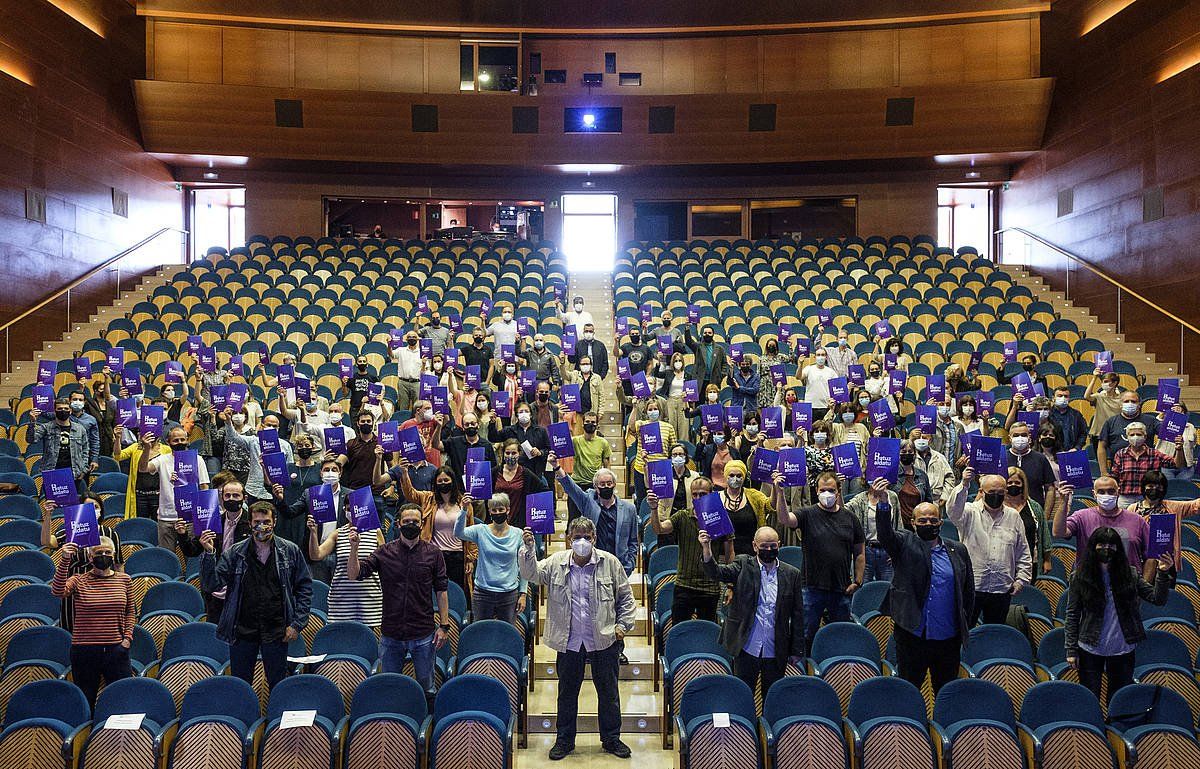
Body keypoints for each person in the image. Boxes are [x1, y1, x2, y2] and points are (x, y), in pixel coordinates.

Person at [519, 518, 636, 760]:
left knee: (609, 692)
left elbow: (626, 597)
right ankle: (564, 740)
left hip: (603, 639)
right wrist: (529, 548)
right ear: (568, 538)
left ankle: (612, 738)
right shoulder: (555, 563)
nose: (581, 540)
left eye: (586, 536)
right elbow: (530, 574)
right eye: (577, 536)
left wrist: (623, 626)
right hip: (569, 641)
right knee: (567, 693)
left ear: (594, 538)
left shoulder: (609, 563)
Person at [200, 501, 312, 691]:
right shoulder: (235, 552)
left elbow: (304, 588)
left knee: (278, 684)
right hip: (243, 629)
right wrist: (210, 553)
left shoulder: (290, 551)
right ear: (250, 523)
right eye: (257, 522)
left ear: (274, 522)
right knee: (240, 686)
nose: (261, 526)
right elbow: (212, 584)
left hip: (276, 629)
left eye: (266, 521)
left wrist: (297, 624)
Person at [347, 505, 449, 697]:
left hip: (423, 634)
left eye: (415, 522)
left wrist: (444, 626)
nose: (411, 525)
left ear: (422, 524)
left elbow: (441, 590)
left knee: (426, 689)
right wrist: (354, 548)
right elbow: (354, 574)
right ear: (398, 524)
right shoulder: (384, 552)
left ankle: (424, 724)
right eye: (406, 521)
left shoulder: (434, 553)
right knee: (388, 687)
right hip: (391, 634)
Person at [877, 500, 975, 695]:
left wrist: (965, 622)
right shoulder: (905, 544)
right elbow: (886, 536)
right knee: (908, 690)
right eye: (922, 520)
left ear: (940, 523)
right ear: (913, 523)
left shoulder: (958, 550)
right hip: (913, 635)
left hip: (948, 637)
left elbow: (968, 590)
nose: (928, 524)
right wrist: (882, 504)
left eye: (933, 520)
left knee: (946, 692)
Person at [1065, 527, 1171, 706]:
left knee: (1119, 700)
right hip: (1090, 647)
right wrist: (1071, 649)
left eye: (1111, 545)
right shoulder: (1080, 576)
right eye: (1102, 544)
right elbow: (1072, 613)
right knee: (1090, 699)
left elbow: (1157, 599)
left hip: (1123, 647)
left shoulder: (1130, 573)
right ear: (1093, 546)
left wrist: (1162, 572)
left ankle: (1116, 733)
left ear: (1118, 548)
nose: (1107, 548)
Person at [699, 525, 805, 696]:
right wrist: (706, 547)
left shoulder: (792, 574)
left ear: (779, 544)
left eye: (773, 546)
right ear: (755, 546)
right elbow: (716, 573)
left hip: (776, 646)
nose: (769, 550)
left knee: (772, 696)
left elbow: (798, 614)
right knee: (742, 694)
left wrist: (797, 649)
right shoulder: (743, 564)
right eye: (764, 546)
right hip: (747, 645)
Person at [779, 471, 865, 652]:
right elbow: (785, 519)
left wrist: (858, 580)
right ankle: (804, 672)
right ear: (816, 492)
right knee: (805, 636)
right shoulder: (807, 514)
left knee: (840, 637)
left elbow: (859, 552)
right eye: (823, 490)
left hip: (842, 589)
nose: (827, 494)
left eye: (831, 490)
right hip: (811, 588)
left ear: (838, 492)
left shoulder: (850, 518)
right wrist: (780, 493)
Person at [52, 536, 134, 709]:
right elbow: (57, 591)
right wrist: (65, 559)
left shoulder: (125, 580)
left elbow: (130, 612)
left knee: (122, 699)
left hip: (116, 649)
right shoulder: (78, 580)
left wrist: (127, 640)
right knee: (85, 700)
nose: (103, 555)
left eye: (107, 552)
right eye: (98, 552)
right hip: (84, 650)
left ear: (113, 555)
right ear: (90, 557)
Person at [947, 468, 1032, 625]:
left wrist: (1021, 580)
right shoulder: (969, 512)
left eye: (1001, 492)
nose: (996, 496)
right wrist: (964, 483)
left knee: (995, 633)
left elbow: (1023, 551)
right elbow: (952, 511)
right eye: (992, 491)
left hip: (1001, 588)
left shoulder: (1013, 516)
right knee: (964, 631)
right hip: (973, 587)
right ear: (981, 491)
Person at [390, 454, 474, 595]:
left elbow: (471, 532)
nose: (443, 483)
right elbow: (410, 494)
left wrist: (470, 559)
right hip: (435, 554)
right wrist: (404, 473)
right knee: (433, 591)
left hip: (459, 555)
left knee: (457, 592)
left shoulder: (463, 503)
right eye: (439, 481)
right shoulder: (428, 498)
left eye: (446, 480)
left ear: (452, 481)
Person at [648, 476, 728, 622]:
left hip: (710, 587)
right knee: (679, 629)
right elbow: (659, 529)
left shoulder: (720, 517)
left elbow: (729, 553)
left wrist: (730, 584)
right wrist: (654, 509)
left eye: (703, 494)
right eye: (695, 494)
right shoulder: (682, 516)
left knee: (706, 633)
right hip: (684, 585)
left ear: (711, 494)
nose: (698, 497)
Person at [1053, 476, 1150, 578]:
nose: (1106, 495)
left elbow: (1151, 556)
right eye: (1101, 492)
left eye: (1111, 491)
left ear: (1118, 492)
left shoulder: (1137, 520)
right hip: (1091, 582)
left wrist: (1144, 584)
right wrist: (1063, 502)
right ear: (1094, 494)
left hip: (1127, 582)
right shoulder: (1081, 517)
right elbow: (1058, 532)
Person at [455, 492, 527, 623]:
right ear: (489, 511)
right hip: (483, 593)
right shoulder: (480, 530)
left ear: (508, 510)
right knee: (481, 634)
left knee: (506, 635)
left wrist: (523, 593)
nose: (498, 512)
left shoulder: (518, 534)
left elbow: (523, 566)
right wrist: (464, 509)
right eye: (494, 510)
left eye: (501, 509)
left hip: (509, 594)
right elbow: (458, 533)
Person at [147, 426, 212, 550]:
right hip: (166, 517)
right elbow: (143, 468)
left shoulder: (198, 460)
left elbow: (204, 487)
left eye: (182, 439)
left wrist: (203, 516)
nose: (180, 443)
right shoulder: (162, 460)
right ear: (168, 442)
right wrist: (146, 448)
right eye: (176, 440)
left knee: (192, 555)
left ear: (187, 440)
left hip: (190, 516)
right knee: (167, 557)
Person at [1127, 470, 1200, 572]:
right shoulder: (1132, 509)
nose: (1154, 489)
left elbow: (1195, 505)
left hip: (1167, 562)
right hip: (1140, 562)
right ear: (1144, 487)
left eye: (1159, 487)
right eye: (1150, 486)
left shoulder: (1173, 507)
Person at [1109, 422, 1184, 508]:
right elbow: (1114, 476)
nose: (1135, 437)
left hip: (1148, 498)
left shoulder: (1154, 454)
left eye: (1138, 434)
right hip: (1125, 498)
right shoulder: (1120, 454)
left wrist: (1179, 449)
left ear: (1145, 436)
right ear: (1127, 437)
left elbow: (1177, 464)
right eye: (1132, 434)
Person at [28, 397, 90, 493]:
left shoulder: (80, 429)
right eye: (60, 409)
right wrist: (32, 422)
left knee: (73, 505)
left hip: (74, 473)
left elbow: (85, 451)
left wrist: (84, 469)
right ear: (55, 411)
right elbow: (31, 440)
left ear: (70, 411)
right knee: (52, 504)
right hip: (52, 472)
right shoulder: (46, 427)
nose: (63, 411)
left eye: (66, 409)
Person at [845, 477, 902, 582]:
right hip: (866, 551)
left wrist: (897, 551)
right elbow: (842, 513)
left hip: (888, 551)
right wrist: (838, 491)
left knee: (889, 590)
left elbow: (899, 525)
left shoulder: (893, 497)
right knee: (862, 588)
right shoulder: (860, 499)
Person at [1005, 467, 1053, 577]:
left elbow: (1044, 534)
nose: (1013, 485)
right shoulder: (998, 507)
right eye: (1010, 482)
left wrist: (1047, 560)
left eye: (1017, 482)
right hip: (1004, 561)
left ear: (1023, 484)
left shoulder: (1034, 507)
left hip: (1031, 561)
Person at [1097, 390, 1158, 477]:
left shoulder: (1151, 420)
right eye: (1126, 401)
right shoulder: (1111, 422)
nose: (1130, 403)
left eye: (1133, 401)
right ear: (1120, 404)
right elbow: (1101, 446)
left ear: (1139, 404)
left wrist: (1168, 415)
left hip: (1146, 470)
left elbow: (1166, 434)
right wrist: (1103, 472)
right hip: (1119, 470)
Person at [115, 426, 171, 520]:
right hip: (140, 494)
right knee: (140, 523)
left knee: (158, 523)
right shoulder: (135, 447)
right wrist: (117, 438)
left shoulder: (166, 450)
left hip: (159, 494)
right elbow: (118, 455)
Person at [567, 412, 612, 519]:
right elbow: (562, 443)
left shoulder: (603, 443)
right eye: (587, 422)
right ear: (582, 424)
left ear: (597, 424)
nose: (590, 424)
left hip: (595, 486)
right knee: (573, 519)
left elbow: (607, 466)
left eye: (593, 422)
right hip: (577, 485)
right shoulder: (575, 441)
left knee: (595, 519)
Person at [1006, 421, 1057, 513]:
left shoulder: (1040, 458)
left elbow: (1050, 489)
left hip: (1034, 511)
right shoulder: (1002, 457)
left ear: (1029, 437)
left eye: (1023, 435)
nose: (1020, 438)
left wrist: (1044, 516)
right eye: (1016, 435)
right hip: (1006, 512)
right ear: (1010, 438)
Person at [683, 324, 729, 394]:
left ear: (713, 334)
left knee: (712, 402)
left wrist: (721, 375)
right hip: (700, 380)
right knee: (699, 403)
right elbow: (689, 342)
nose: (707, 334)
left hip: (714, 380)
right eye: (705, 333)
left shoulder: (720, 349)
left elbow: (724, 364)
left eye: (709, 333)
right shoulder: (698, 346)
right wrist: (687, 328)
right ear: (702, 334)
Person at [1083, 369, 1124, 449]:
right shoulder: (1099, 396)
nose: (1103, 384)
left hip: (1114, 433)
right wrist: (1094, 377)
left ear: (1114, 383)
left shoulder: (1122, 399)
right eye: (1102, 382)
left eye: (1106, 381)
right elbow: (1086, 396)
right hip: (1099, 433)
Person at [1158, 401, 1196, 480]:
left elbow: (1193, 444)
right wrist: (1166, 414)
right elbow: (1158, 421)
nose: (1176, 410)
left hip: (1186, 467)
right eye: (1173, 408)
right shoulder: (1163, 424)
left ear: (1184, 412)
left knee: (1184, 489)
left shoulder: (1190, 427)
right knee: (1169, 489)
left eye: (1179, 408)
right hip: (1167, 466)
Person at [798, 348, 837, 421]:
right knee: (811, 431)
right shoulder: (809, 369)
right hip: (810, 406)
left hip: (825, 406)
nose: (820, 357)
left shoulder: (831, 372)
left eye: (823, 355)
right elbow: (798, 377)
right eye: (818, 355)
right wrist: (800, 364)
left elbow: (836, 389)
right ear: (815, 357)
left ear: (826, 357)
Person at [1048, 386, 1088, 452]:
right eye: (1060, 396)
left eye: (1066, 396)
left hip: (1072, 452)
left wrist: (1077, 447)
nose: (1063, 398)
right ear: (1053, 398)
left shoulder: (1076, 415)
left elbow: (1083, 433)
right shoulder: (1048, 414)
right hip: (1053, 452)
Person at [392, 331, 424, 413]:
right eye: (409, 337)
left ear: (417, 339)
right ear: (406, 339)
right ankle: (403, 424)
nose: (411, 338)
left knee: (417, 408)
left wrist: (423, 363)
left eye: (414, 337)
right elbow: (391, 355)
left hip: (417, 383)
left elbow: (424, 371)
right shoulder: (401, 350)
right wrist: (389, 345)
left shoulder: (422, 352)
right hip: (403, 382)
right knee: (403, 407)